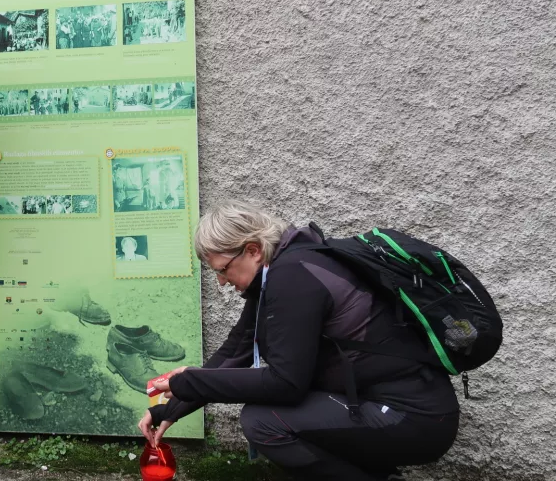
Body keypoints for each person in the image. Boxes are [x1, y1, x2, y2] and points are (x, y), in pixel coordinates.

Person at [138, 201, 460, 481]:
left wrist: (188, 381)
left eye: (222, 270)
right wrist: (171, 409)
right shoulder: (280, 273)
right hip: (390, 406)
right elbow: (233, 352)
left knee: (262, 420)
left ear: (252, 249)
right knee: (270, 413)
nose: (222, 282)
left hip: (414, 417)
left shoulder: (292, 278)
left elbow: (285, 384)